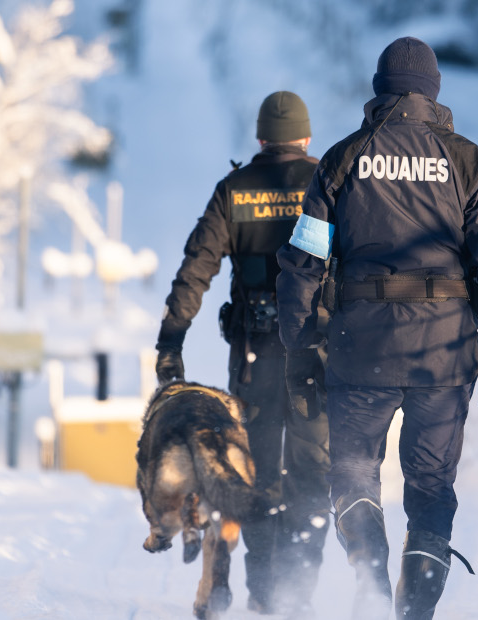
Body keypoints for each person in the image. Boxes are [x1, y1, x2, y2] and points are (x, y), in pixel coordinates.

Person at [275, 37, 478, 620]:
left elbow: (303, 260)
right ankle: (412, 613)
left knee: (355, 474)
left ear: (379, 88)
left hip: (359, 353)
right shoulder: (468, 161)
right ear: (433, 92)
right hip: (443, 358)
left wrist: (298, 347)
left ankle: (368, 585)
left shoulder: (342, 160)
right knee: (432, 488)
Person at [154, 91, 332, 616]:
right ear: (306, 138)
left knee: (257, 477)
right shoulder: (328, 186)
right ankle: (298, 593)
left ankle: (263, 594)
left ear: (260, 139)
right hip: (316, 360)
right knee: (312, 473)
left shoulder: (233, 192)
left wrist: (171, 342)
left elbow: (196, 269)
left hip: (254, 358)